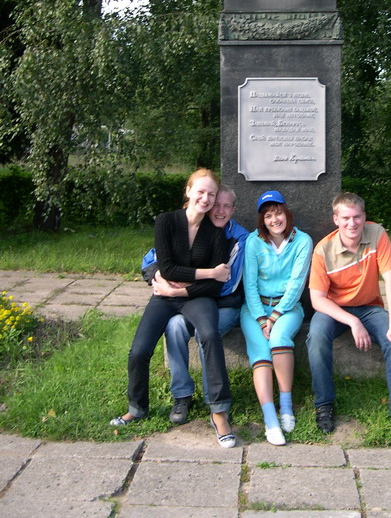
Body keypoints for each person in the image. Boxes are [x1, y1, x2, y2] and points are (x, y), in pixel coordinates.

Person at [110, 168, 236, 448]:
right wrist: (209, 272)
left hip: (196, 297)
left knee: (210, 335)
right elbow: (166, 268)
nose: (205, 198)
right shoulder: (166, 221)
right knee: (139, 350)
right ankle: (137, 408)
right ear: (188, 191)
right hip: (164, 297)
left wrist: (182, 287)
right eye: (200, 191)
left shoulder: (216, 233)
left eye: (211, 194)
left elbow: (215, 287)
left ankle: (219, 412)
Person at [306, 192, 391, 450]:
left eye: (357, 217)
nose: (352, 223)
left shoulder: (377, 234)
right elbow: (317, 300)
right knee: (316, 338)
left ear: (364, 216)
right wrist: (352, 322)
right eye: (346, 218)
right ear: (336, 219)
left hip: (370, 308)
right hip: (335, 309)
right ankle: (324, 405)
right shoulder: (323, 249)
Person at [141, 185, 248, 426]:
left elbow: (226, 284)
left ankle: (214, 402)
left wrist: (177, 287)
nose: (219, 211)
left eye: (226, 206)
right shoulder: (191, 227)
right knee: (174, 327)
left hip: (224, 305)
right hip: (193, 301)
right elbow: (151, 260)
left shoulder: (240, 238)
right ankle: (182, 395)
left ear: (233, 210)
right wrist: (158, 276)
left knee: (204, 332)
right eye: (216, 205)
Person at [240, 190, 312, 445]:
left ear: (287, 212)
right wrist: (262, 319)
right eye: (268, 216)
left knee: (280, 338)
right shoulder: (253, 241)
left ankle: (286, 406)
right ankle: (270, 420)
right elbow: (249, 284)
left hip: (287, 308)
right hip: (255, 309)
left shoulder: (302, 241)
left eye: (278, 213)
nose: (274, 220)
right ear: (262, 220)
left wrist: (275, 316)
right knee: (260, 352)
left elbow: (297, 283)